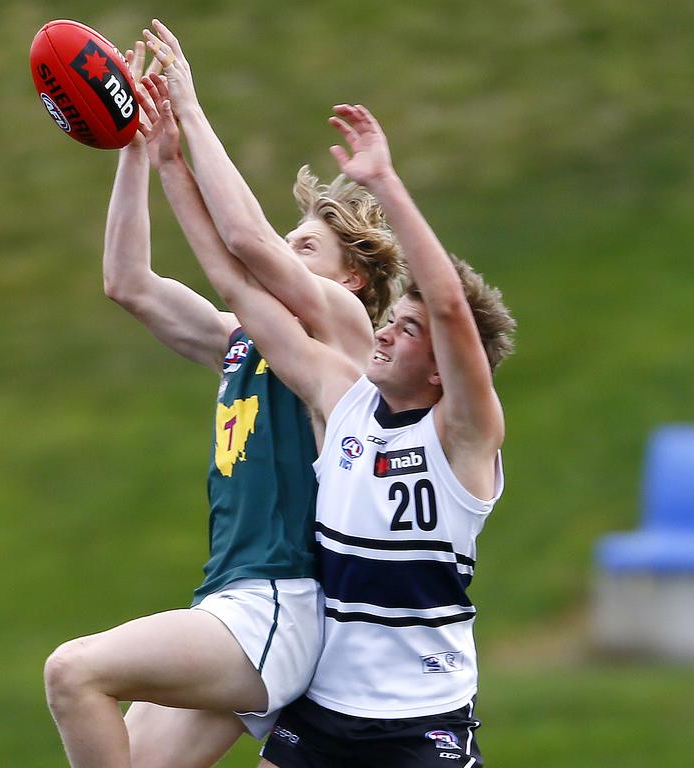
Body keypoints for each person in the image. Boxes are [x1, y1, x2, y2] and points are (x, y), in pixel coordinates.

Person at [141, 25, 515, 767]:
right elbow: (231, 278)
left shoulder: (463, 438)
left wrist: (385, 184)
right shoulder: (339, 402)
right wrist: (170, 163)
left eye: (405, 331)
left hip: (423, 721)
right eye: (393, 319)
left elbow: (445, 304)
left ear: (443, 369)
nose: (385, 333)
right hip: (325, 711)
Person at [43, 37, 404, 768]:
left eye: (305, 245)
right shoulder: (240, 342)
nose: (283, 249)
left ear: (354, 280)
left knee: (73, 672)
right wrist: (136, 148)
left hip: (282, 602)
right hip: (234, 605)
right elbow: (129, 284)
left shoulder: (343, 332)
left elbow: (242, 241)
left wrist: (188, 108)